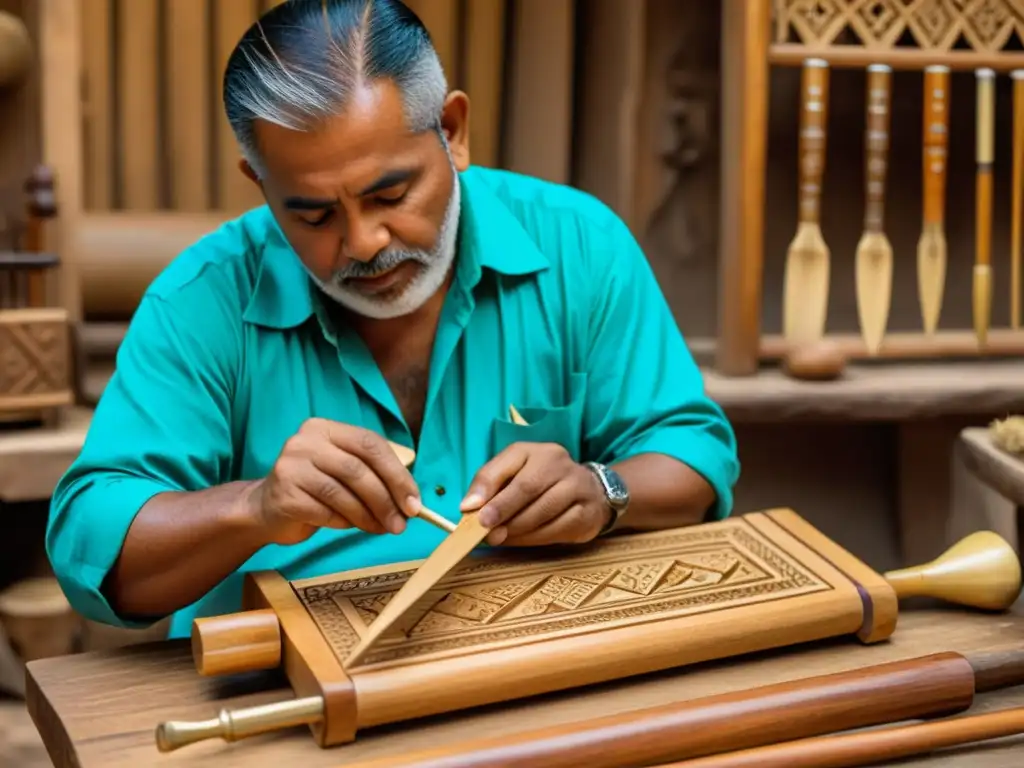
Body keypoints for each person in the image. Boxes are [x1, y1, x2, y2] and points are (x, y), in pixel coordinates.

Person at [46, 0, 739, 640]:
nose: (365, 242)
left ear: (453, 132)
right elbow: (93, 544)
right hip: (287, 692)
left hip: (535, 658)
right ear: (260, 184)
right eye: (312, 213)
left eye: (391, 192)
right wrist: (257, 508)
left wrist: (602, 489)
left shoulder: (579, 246)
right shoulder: (205, 298)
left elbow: (694, 457)